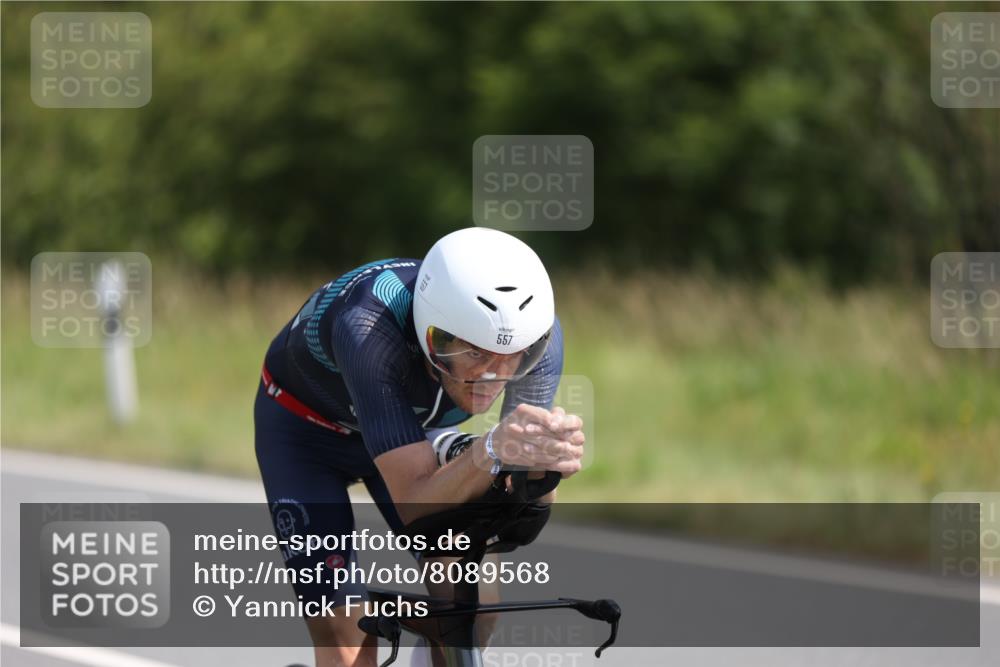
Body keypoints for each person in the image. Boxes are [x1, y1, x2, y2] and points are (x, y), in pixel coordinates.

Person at [254, 227, 586, 667]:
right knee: (347, 632)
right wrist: (488, 450)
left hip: (409, 430)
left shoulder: (538, 338)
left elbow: (515, 511)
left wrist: (547, 473)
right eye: (475, 355)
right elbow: (415, 501)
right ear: (433, 334)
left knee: (473, 610)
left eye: (514, 358)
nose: (495, 375)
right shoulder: (367, 326)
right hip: (307, 434)